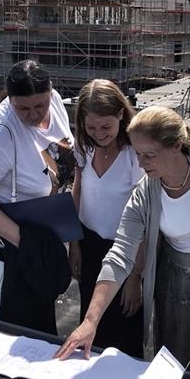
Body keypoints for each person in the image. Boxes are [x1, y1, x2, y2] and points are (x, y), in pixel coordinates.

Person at [56, 105, 190, 379]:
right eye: (137, 154)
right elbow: (120, 255)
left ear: (176, 146)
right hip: (173, 284)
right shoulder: (146, 191)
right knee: (174, 360)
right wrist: (90, 321)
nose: (141, 163)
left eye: (149, 155)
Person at [0, 60, 75, 334]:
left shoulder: (57, 102)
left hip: (41, 223)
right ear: (10, 100)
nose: (34, 115)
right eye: (23, 108)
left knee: (43, 307)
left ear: (50, 92)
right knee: (22, 319)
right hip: (9, 229)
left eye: (40, 106)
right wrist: (25, 242)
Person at [69, 80, 145, 358]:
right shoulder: (84, 147)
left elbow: (147, 220)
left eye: (106, 127)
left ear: (121, 116)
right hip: (89, 245)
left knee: (124, 331)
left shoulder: (136, 155)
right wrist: (74, 243)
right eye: (91, 128)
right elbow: (78, 191)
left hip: (126, 252)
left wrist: (137, 275)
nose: (99, 134)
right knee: (91, 322)